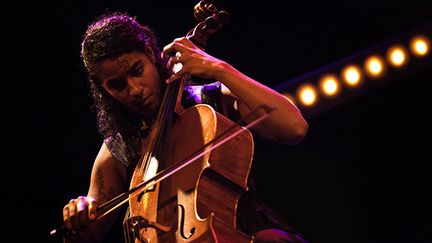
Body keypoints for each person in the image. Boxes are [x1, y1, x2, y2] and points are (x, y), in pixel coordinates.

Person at [62, 11, 309, 243]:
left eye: (137, 71)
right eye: (117, 85)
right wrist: (80, 213)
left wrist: (217, 67)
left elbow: (294, 128)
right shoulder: (119, 149)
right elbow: (89, 231)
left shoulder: (211, 101)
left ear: (150, 54)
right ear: (104, 91)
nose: (135, 90)